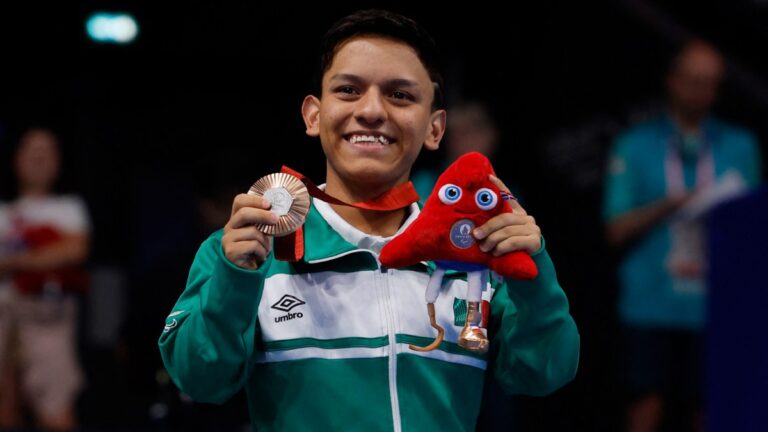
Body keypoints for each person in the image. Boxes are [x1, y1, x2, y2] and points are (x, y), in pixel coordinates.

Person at [159, 9, 579, 431]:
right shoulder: (247, 249)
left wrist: (533, 274)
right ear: (313, 115)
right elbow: (201, 381)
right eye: (348, 90)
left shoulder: (474, 254)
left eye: (400, 95)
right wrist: (235, 278)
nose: (372, 111)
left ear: (435, 129)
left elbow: (543, 374)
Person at [604, 40, 762, 432]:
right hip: (650, 301)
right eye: (693, 80)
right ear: (673, 80)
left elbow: (755, 234)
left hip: (716, 305)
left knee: (711, 407)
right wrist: (669, 205)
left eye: (711, 83)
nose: (701, 91)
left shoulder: (741, 145)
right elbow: (615, 229)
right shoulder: (635, 144)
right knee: (645, 404)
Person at [0, 128, 90, 432]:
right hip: (3, 316)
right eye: (30, 149)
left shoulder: (68, 208)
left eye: (47, 150)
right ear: (15, 159)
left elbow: (75, 249)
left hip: (47, 316)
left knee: (55, 406)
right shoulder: (3, 212)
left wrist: (11, 261)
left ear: (59, 162)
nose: (38, 156)